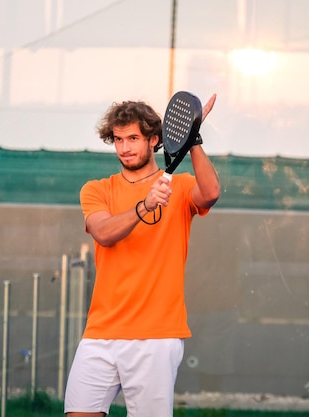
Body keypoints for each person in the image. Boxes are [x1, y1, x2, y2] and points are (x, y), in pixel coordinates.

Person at [64, 94, 221, 417]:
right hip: (100, 333)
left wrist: (193, 139)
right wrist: (144, 205)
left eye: (133, 138)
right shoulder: (96, 190)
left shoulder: (179, 188)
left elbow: (211, 193)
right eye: (118, 140)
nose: (125, 148)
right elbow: (104, 233)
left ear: (154, 140)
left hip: (156, 336)